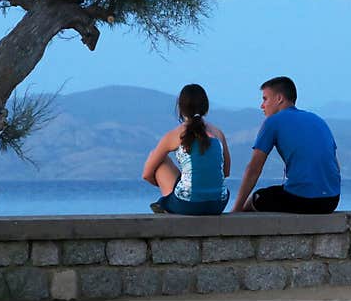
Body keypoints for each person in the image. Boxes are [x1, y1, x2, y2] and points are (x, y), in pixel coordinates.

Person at [232, 76, 340, 213]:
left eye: (265, 99)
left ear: (279, 99)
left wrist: (234, 211)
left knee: (255, 199)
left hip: (302, 200)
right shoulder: (318, 120)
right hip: (331, 201)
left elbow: (254, 169)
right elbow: (336, 167)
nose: (262, 105)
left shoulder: (273, 122)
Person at [142, 83, 231, 215]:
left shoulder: (174, 135)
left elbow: (146, 174)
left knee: (160, 160)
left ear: (180, 109)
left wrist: (171, 189)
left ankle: (170, 203)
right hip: (218, 204)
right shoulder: (218, 133)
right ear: (205, 107)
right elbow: (226, 172)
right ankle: (182, 193)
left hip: (188, 205)